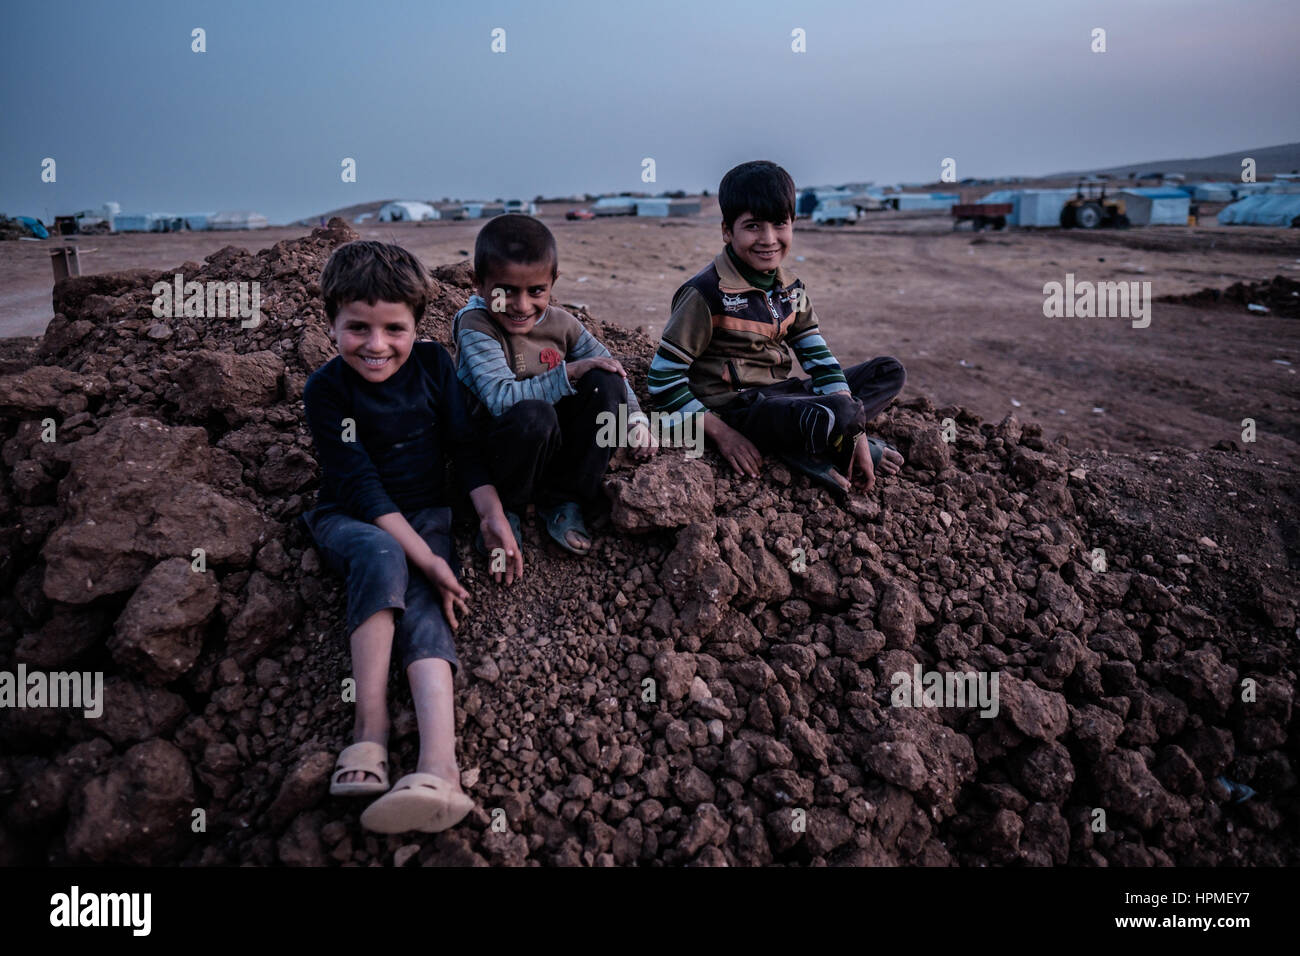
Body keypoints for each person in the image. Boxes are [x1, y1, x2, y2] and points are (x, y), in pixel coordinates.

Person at [299, 240, 522, 833]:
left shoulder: (432, 365)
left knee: (427, 606)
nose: (376, 346)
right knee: (382, 554)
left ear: (417, 326)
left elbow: (464, 448)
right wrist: (426, 557)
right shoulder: (326, 392)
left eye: (394, 328)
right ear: (331, 323)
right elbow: (362, 487)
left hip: (426, 513)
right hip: (352, 517)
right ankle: (368, 734)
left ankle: (438, 769)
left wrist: (492, 514)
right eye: (357, 328)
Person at [648, 160, 906, 493]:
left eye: (779, 224)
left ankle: (826, 434)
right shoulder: (706, 293)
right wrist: (722, 433)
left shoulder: (790, 289)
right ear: (727, 230)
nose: (768, 239)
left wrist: (853, 430)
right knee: (838, 410)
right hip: (739, 410)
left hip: (781, 396)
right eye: (753, 226)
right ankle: (816, 442)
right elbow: (662, 380)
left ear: (792, 224)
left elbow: (819, 359)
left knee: (888, 371)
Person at [454, 213, 654, 556]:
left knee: (604, 380)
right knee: (534, 415)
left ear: (553, 282)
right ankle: (508, 510)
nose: (521, 305)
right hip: (499, 451)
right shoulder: (476, 326)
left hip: (549, 446)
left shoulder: (563, 324)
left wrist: (636, 420)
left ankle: (563, 499)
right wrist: (570, 371)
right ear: (478, 283)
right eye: (505, 292)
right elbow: (501, 400)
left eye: (536, 291)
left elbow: (611, 367)